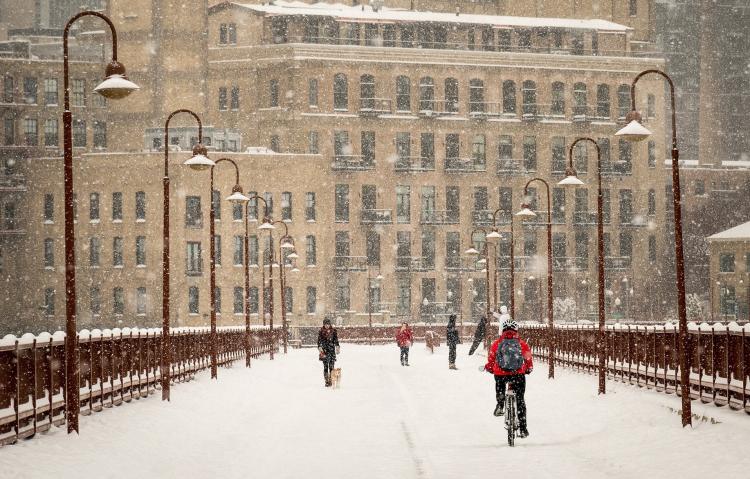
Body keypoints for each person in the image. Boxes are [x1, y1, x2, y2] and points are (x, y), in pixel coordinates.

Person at [485, 318, 533, 438]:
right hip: (518, 374)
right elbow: (528, 358)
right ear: (516, 330)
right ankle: (522, 428)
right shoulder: (522, 344)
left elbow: (491, 359)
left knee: (500, 388)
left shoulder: (497, 344)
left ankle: (501, 404)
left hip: (501, 374)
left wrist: (490, 368)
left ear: (503, 330)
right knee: (520, 399)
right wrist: (528, 368)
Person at [318, 319, 340, 387]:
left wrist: (337, 347)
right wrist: (320, 347)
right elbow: (319, 341)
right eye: (325, 324)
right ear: (324, 324)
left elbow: (336, 340)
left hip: (331, 351)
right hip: (324, 351)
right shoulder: (321, 331)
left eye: (328, 324)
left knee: (331, 367)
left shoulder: (333, 331)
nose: (327, 325)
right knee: (325, 367)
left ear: (330, 324)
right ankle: (326, 381)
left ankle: (331, 380)